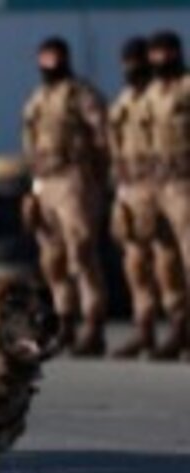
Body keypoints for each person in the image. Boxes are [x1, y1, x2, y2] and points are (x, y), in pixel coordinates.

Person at [22, 36, 111, 356]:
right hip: (44, 181)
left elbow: (104, 138)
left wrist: (97, 181)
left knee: (81, 253)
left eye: (54, 56)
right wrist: (33, 187)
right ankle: (65, 322)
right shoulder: (37, 98)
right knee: (52, 258)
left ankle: (93, 323)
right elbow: (30, 143)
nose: (49, 63)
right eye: (44, 57)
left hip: (74, 180)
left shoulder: (81, 94)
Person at [109, 37, 187, 359]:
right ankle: (151, 327)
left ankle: (178, 327)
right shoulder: (136, 99)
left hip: (180, 182)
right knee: (144, 260)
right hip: (142, 186)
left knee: (178, 257)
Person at [145, 30, 190, 360]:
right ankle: (178, 325)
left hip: (185, 183)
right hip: (155, 186)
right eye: (155, 53)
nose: (159, 59)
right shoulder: (151, 94)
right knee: (165, 260)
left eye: (165, 52)